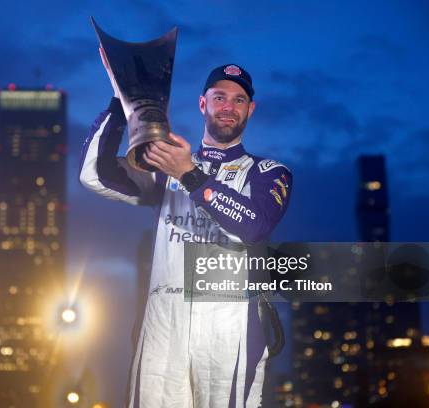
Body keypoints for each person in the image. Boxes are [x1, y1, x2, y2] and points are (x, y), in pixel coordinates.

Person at [79, 48, 293, 407]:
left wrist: (189, 175)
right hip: (164, 318)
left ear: (250, 110)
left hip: (231, 321)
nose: (229, 106)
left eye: (239, 100)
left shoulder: (268, 172)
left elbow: (255, 226)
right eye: (219, 97)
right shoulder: (168, 165)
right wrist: (122, 101)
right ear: (202, 104)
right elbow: (93, 175)